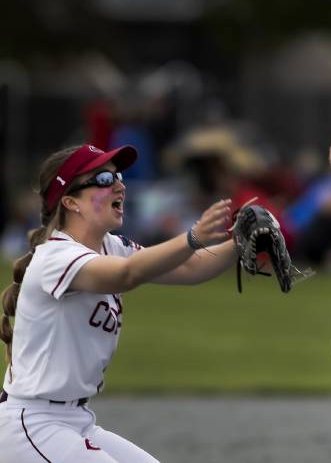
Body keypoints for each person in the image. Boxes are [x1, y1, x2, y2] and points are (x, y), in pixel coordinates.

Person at [0, 143, 237, 462]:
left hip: (75, 420)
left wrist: (242, 242)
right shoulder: (55, 256)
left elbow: (189, 266)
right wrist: (192, 237)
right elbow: (126, 275)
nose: (119, 185)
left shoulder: (111, 246)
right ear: (71, 202)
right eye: (102, 180)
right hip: (33, 424)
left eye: (118, 177)